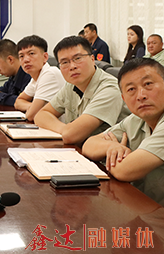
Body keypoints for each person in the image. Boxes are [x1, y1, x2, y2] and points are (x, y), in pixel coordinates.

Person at [82, 58, 164, 205]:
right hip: (144, 207)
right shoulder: (135, 119)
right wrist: (113, 147)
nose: (141, 95)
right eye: (131, 89)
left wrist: (114, 160)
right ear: (124, 99)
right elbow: (88, 145)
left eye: (148, 84)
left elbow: (124, 171)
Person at [35, 36, 129, 145]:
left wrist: (68, 132)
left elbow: (71, 135)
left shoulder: (109, 88)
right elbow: (41, 115)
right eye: (64, 62)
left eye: (78, 58)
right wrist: (65, 130)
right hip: (81, 150)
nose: (72, 66)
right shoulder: (71, 85)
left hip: (114, 153)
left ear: (92, 59)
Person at [14, 35, 65, 121]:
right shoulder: (36, 77)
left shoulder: (50, 73)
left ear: (45, 57)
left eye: (31, 54)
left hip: (61, 127)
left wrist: (34, 108)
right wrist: (33, 106)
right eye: (21, 56)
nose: (26, 60)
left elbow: (31, 115)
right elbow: (18, 102)